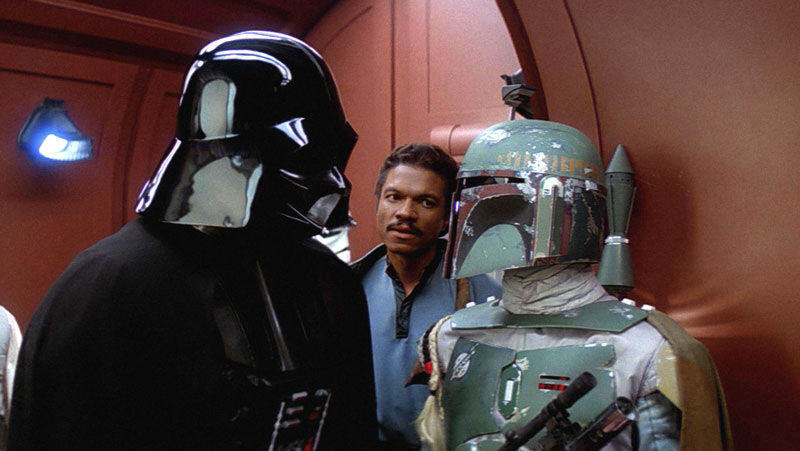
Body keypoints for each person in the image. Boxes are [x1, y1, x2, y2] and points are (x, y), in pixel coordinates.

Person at [9, 31, 377, 449]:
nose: (332, 178)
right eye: (306, 156)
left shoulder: (329, 279)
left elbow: (351, 423)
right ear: (231, 156)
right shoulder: (106, 287)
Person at [415, 120, 732, 450]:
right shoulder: (451, 337)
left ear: (563, 205)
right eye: (472, 188)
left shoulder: (644, 350)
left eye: (499, 190)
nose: (476, 208)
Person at [351, 143, 501, 449]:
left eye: (426, 202)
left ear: (446, 218)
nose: (406, 213)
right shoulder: (349, 287)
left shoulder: (483, 296)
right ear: (378, 203)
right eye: (394, 197)